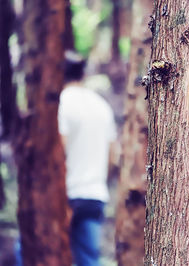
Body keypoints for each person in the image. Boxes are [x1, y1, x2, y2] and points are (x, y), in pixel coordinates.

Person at [58, 51, 117, 266]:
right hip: (94, 195)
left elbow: (58, 151)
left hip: (65, 195)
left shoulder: (60, 104)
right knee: (89, 259)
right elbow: (113, 156)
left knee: (30, 252)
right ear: (82, 74)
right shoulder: (101, 106)